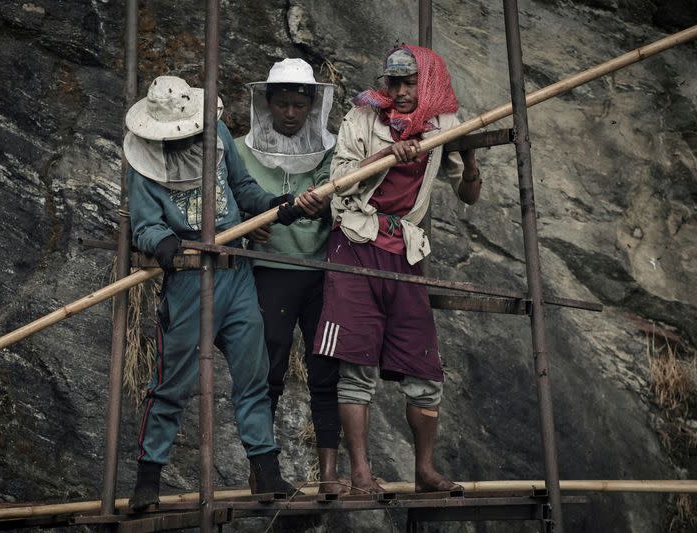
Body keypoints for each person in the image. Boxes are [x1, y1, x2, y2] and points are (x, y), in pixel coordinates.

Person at [124, 75, 303, 510]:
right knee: (171, 383)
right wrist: (161, 241)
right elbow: (145, 224)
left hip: (235, 268)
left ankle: (266, 472)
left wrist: (269, 206)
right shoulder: (144, 160)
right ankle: (148, 480)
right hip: (188, 277)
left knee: (252, 374)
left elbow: (240, 187)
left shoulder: (217, 132)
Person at [308, 45, 482, 494]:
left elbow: (469, 196)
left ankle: (424, 470)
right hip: (355, 240)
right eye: (394, 83)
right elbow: (339, 176)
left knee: (424, 367)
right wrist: (384, 158)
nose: (401, 93)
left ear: (426, 84)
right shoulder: (362, 117)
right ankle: (361, 474)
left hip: (405, 249)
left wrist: (471, 159)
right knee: (356, 363)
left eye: (410, 84)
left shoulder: (443, 126)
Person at [234, 58, 346, 494]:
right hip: (267, 271)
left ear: (312, 106)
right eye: (282, 104)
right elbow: (228, 205)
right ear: (268, 104)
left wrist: (330, 205)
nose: (290, 113)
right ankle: (262, 475)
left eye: (299, 105)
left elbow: (350, 199)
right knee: (268, 371)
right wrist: (249, 221)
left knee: (326, 371)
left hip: (321, 271)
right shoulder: (242, 150)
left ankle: (329, 477)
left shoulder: (334, 149)